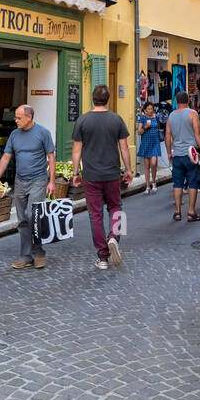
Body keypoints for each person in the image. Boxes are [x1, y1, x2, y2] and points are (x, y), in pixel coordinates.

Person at [72, 84, 132, 270]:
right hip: (112, 173)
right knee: (117, 208)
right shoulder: (117, 119)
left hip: (91, 175)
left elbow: (76, 150)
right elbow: (123, 147)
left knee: (95, 214)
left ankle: (103, 257)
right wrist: (128, 169)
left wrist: (75, 173)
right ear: (108, 99)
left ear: (92, 98)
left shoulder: (82, 120)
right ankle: (115, 238)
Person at [0, 104, 55, 270]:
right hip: (20, 181)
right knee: (22, 220)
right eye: (15, 117)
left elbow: (51, 156)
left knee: (32, 216)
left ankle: (39, 252)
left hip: (38, 180)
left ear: (29, 117)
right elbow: (6, 157)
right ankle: (26, 256)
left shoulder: (43, 133)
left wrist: (52, 181)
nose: (16, 120)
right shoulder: (14, 135)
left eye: (19, 118)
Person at [165, 90, 200, 222]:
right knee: (193, 183)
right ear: (188, 101)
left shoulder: (171, 116)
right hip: (191, 153)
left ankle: (177, 212)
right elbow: (198, 134)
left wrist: (169, 152)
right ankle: (191, 212)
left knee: (177, 184)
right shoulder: (193, 114)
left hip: (178, 154)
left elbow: (167, 136)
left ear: (176, 101)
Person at [136, 101, 162, 194]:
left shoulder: (156, 117)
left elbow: (158, 127)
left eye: (152, 109)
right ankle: (147, 186)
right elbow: (139, 132)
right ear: (145, 110)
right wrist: (146, 127)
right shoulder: (142, 118)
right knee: (147, 166)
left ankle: (154, 182)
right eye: (148, 109)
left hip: (155, 143)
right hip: (146, 143)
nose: (151, 111)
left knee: (154, 164)